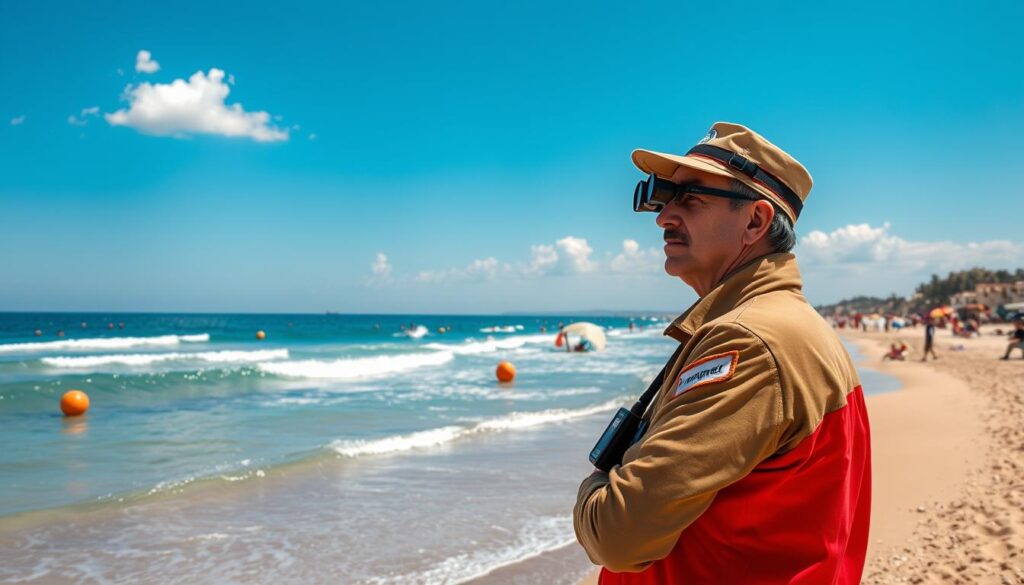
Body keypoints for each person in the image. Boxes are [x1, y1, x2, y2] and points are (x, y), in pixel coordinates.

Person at [573, 122, 871, 584]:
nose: (663, 217)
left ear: (755, 221)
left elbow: (618, 538)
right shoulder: (787, 322)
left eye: (689, 198)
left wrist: (594, 490)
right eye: (663, 197)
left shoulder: (747, 341)